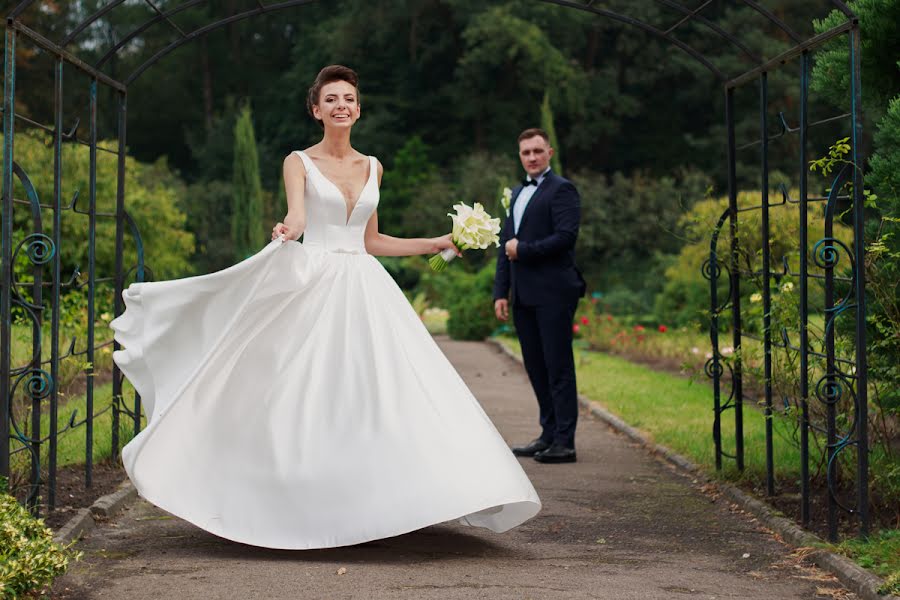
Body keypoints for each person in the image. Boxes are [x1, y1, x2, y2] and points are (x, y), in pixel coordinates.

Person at [111, 65, 540, 550]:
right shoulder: (298, 161)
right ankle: (295, 498)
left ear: (358, 108)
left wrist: (436, 242)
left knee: (383, 390)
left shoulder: (374, 165)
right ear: (317, 110)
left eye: (349, 98)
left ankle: (381, 500)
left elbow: (372, 239)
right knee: (304, 390)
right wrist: (286, 231)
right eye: (331, 99)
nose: (342, 105)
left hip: (365, 285)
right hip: (314, 279)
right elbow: (298, 216)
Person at [493, 128, 586, 464]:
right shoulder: (517, 193)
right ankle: (547, 434)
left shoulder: (563, 190)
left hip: (555, 292)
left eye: (537, 151)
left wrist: (525, 250)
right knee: (535, 366)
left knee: (558, 366)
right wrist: (500, 291)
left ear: (550, 152)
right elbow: (506, 247)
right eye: (525, 153)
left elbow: (566, 237)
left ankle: (565, 441)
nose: (531, 158)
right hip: (523, 295)